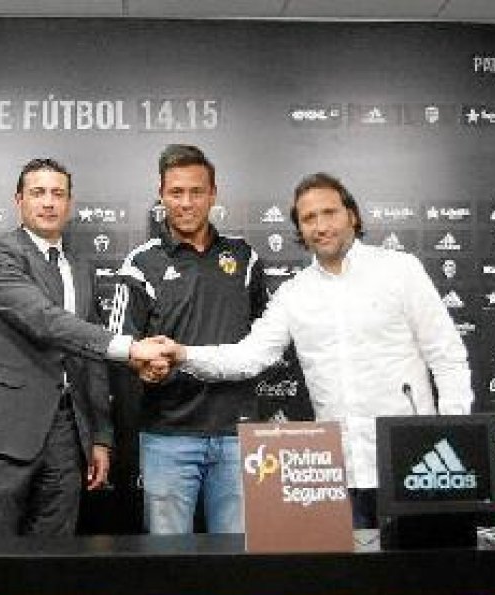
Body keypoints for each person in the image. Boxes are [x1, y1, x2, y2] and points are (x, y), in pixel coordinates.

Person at [152, 172, 473, 528]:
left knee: (422, 564)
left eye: (329, 213)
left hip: (413, 464)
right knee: (343, 566)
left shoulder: (400, 270)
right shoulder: (294, 294)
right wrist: (183, 354)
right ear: (300, 230)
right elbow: (248, 356)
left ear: (352, 215)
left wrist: (452, 435)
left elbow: (447, 356)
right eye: (308, 218)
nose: (320, 226)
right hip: (337, 474)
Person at [0, 157, 167, 539]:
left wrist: (99, 438)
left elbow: (91, 355)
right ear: (19, 200)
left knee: (56, 553)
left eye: (58, 194)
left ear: (69, 203)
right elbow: (44, 320)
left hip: (69, 431)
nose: (48, 202)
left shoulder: (81, 267)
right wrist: (131, 349)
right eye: (38, 193)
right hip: (4, 428)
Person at [106, 144, 267, 534]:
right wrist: (141, 366)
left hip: (237, 435)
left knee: (236, 557)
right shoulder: (140, 263)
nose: (186, 203)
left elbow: (266, 340)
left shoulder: (245, 258)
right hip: (168, 437)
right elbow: (117, 344)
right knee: (168, 558)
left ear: (213, 194)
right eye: (176, 192)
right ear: (161, 195)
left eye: (197, 192)